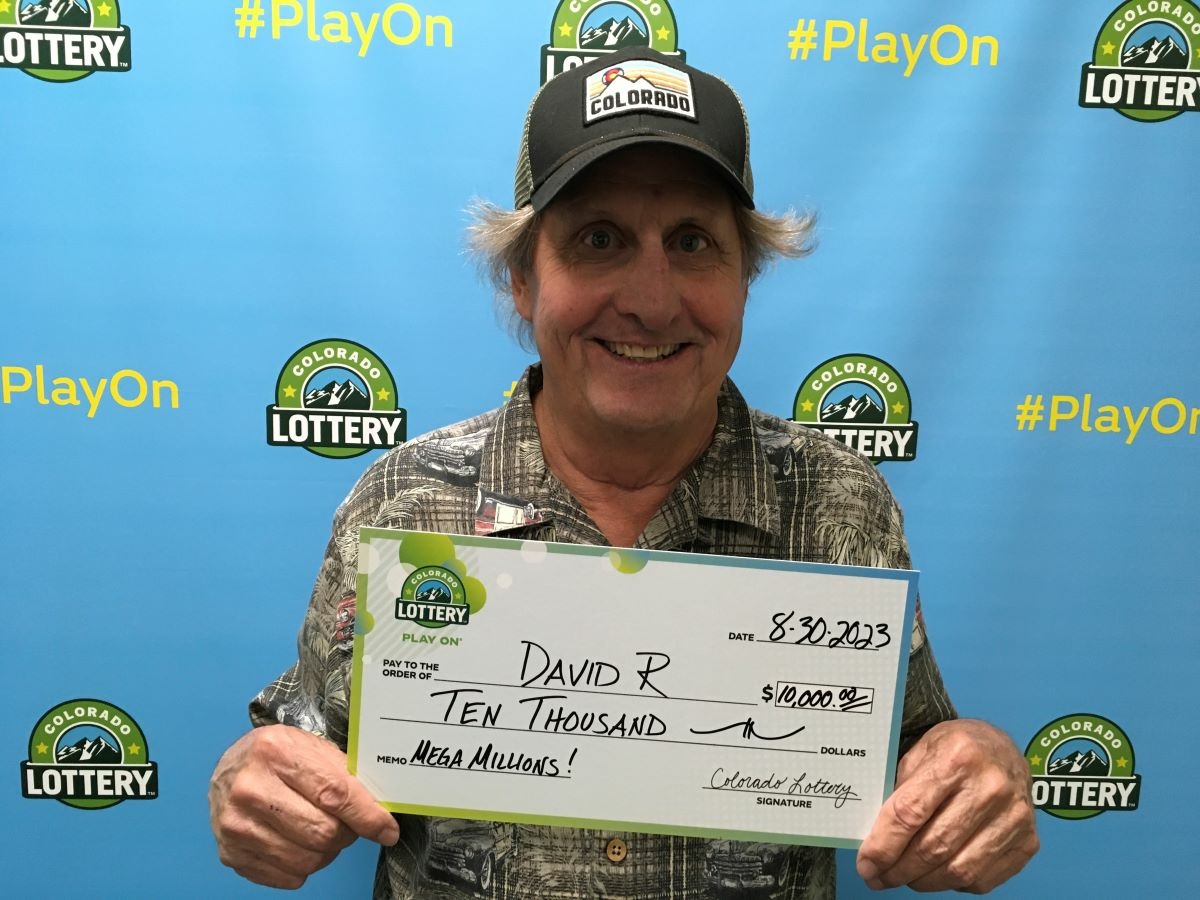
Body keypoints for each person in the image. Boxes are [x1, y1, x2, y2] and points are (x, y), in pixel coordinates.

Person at [209, 47, 1038, 898]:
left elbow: (919, 754)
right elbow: (300, 740)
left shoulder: (837, 502)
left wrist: (979, 768)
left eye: (693, 242)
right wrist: (254, 780)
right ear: (523, 279)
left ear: (745, 280)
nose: (650, 298)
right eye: (599, 240)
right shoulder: (406, 498)